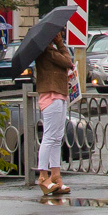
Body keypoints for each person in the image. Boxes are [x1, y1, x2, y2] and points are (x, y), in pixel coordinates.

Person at [33, 32, 74, 196]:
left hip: (59, 95)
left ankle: (56, 175)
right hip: (51, 96)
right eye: (55, 34)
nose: (57, 36)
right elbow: (68, 61)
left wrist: (58, 44)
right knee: (49, 136)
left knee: (57, 137)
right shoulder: (47, 52)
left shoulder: (50, 50)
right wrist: (60, 44)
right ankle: (43, 175)